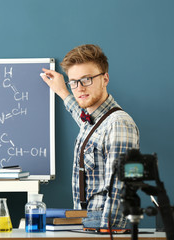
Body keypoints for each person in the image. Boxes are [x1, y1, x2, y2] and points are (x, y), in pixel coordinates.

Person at [41, 44, 140, 228]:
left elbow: (119, 187)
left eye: (86, 79)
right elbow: (83, 119)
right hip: (86, 226)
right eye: (74, 82)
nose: (79, 88)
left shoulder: (117, 123)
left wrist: (107, 231)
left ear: (105, 79)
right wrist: (63, 91)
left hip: (105, 229)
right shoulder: (94, 122)